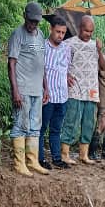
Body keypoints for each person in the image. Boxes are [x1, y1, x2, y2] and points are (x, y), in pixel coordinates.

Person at [7, 1, 49, 177]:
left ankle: (33, 161)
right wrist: (15, 90)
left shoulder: (40, 36)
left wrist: (46, 87)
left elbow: (42, 63)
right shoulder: (18, 35)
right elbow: (11, 64)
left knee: (34, 127)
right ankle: (19, 163)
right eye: (31, 21)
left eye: (36, 22)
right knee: (20, 125)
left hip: (37, 90)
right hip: (22, 88)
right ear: (25, 16)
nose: (33, 25)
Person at [60, 15, 99, 166]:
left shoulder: (95, 45)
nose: (88, 34)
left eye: (91, 31)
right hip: (75, 89)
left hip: (91, 90)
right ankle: (65, 154)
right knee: (71, 121)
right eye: (85, 30)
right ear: (79, 28)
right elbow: (60, 63)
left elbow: (102, 66)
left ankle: (84, 154)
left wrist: (100, 50)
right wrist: (66, 75)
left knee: (89, 122)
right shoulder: (68, 44)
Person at [38, 16, 71, 170]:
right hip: (48, 96)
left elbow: (66, 69)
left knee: (56, 129)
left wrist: (69, 78)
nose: (60, 35)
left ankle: (57, 158)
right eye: (58, 31)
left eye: (63, 33)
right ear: (51, 29)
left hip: (62, 96)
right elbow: (40, 71)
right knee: (42, 128)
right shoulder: (43, 47)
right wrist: (44, 90)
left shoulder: (66, 48)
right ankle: (40, 159)